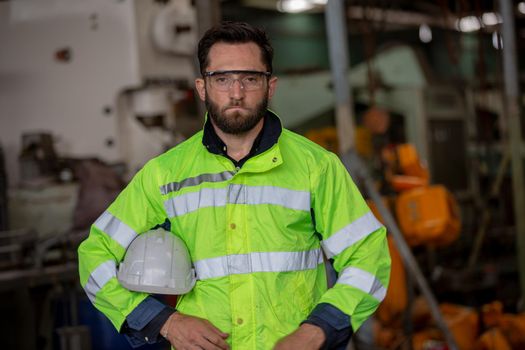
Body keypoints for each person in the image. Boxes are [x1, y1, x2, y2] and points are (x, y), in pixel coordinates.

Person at [78, 21, 391, 350]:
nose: (236, 92)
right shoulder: (165, 174)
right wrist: (166, 322)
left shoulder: (316, 168)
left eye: (250, 79)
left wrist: (318, 330)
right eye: (222, 79)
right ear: (202, 88)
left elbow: (368, 256)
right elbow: (95, 255)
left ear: (270, 87)